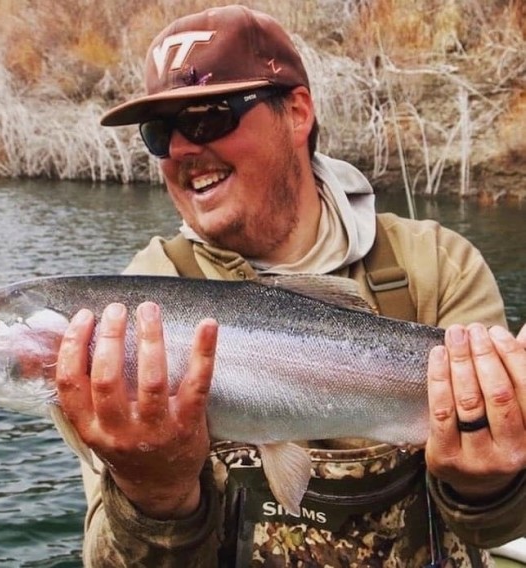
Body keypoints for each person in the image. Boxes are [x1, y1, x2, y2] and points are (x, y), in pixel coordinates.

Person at [54, 5, 526, 567]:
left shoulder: (436, 264)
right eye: (159, 133)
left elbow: (499, 526)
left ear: (297, 112)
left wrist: (486, 485)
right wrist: (154, 493)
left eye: (207, 117)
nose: (180, 148)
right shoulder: (133, 311)